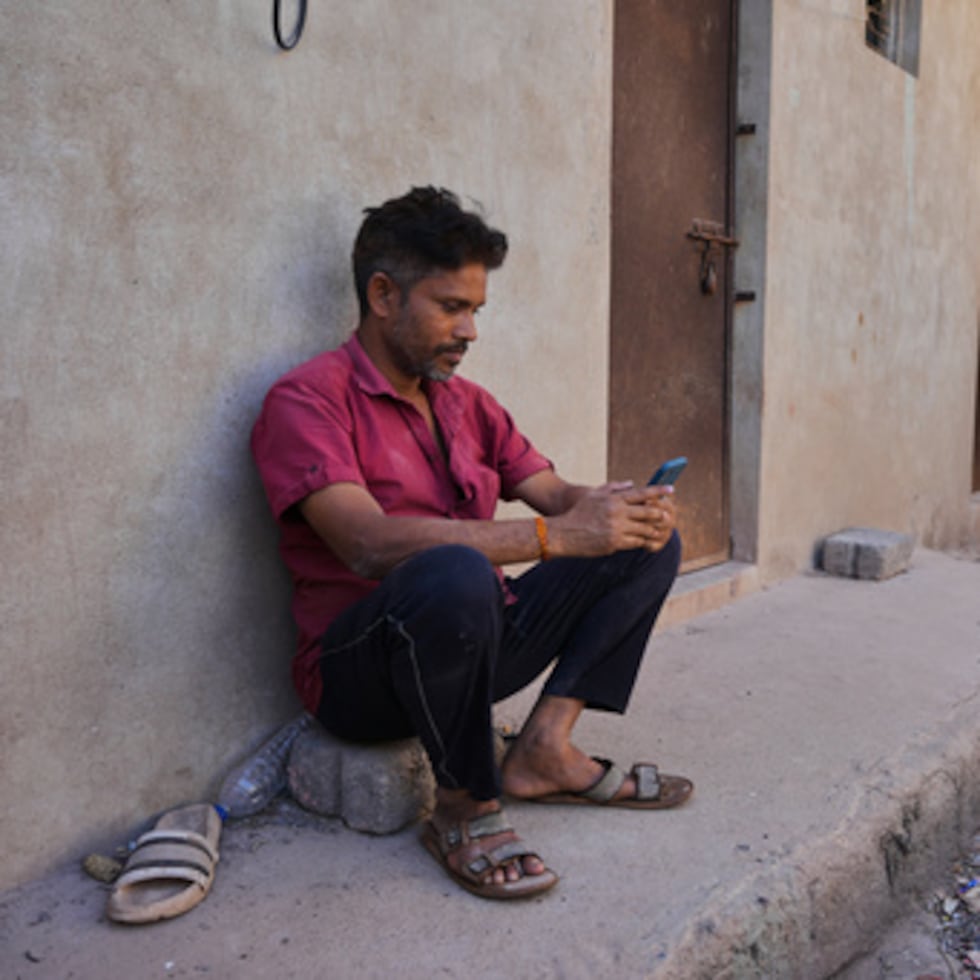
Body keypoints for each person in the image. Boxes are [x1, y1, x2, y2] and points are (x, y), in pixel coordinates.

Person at [251, 186, 691, 901]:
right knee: (452, 571)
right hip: (361, 678)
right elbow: (364, 544)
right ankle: (462, 809)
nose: (470, 331)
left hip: (474, 643)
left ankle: (543, 749)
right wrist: (554, 537)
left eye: (476, 310)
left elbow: (555, 494)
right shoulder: (306, 401)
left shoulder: (469, 405)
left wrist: (618, 508)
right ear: (384, 295)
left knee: (644, 545)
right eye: (452, 308)